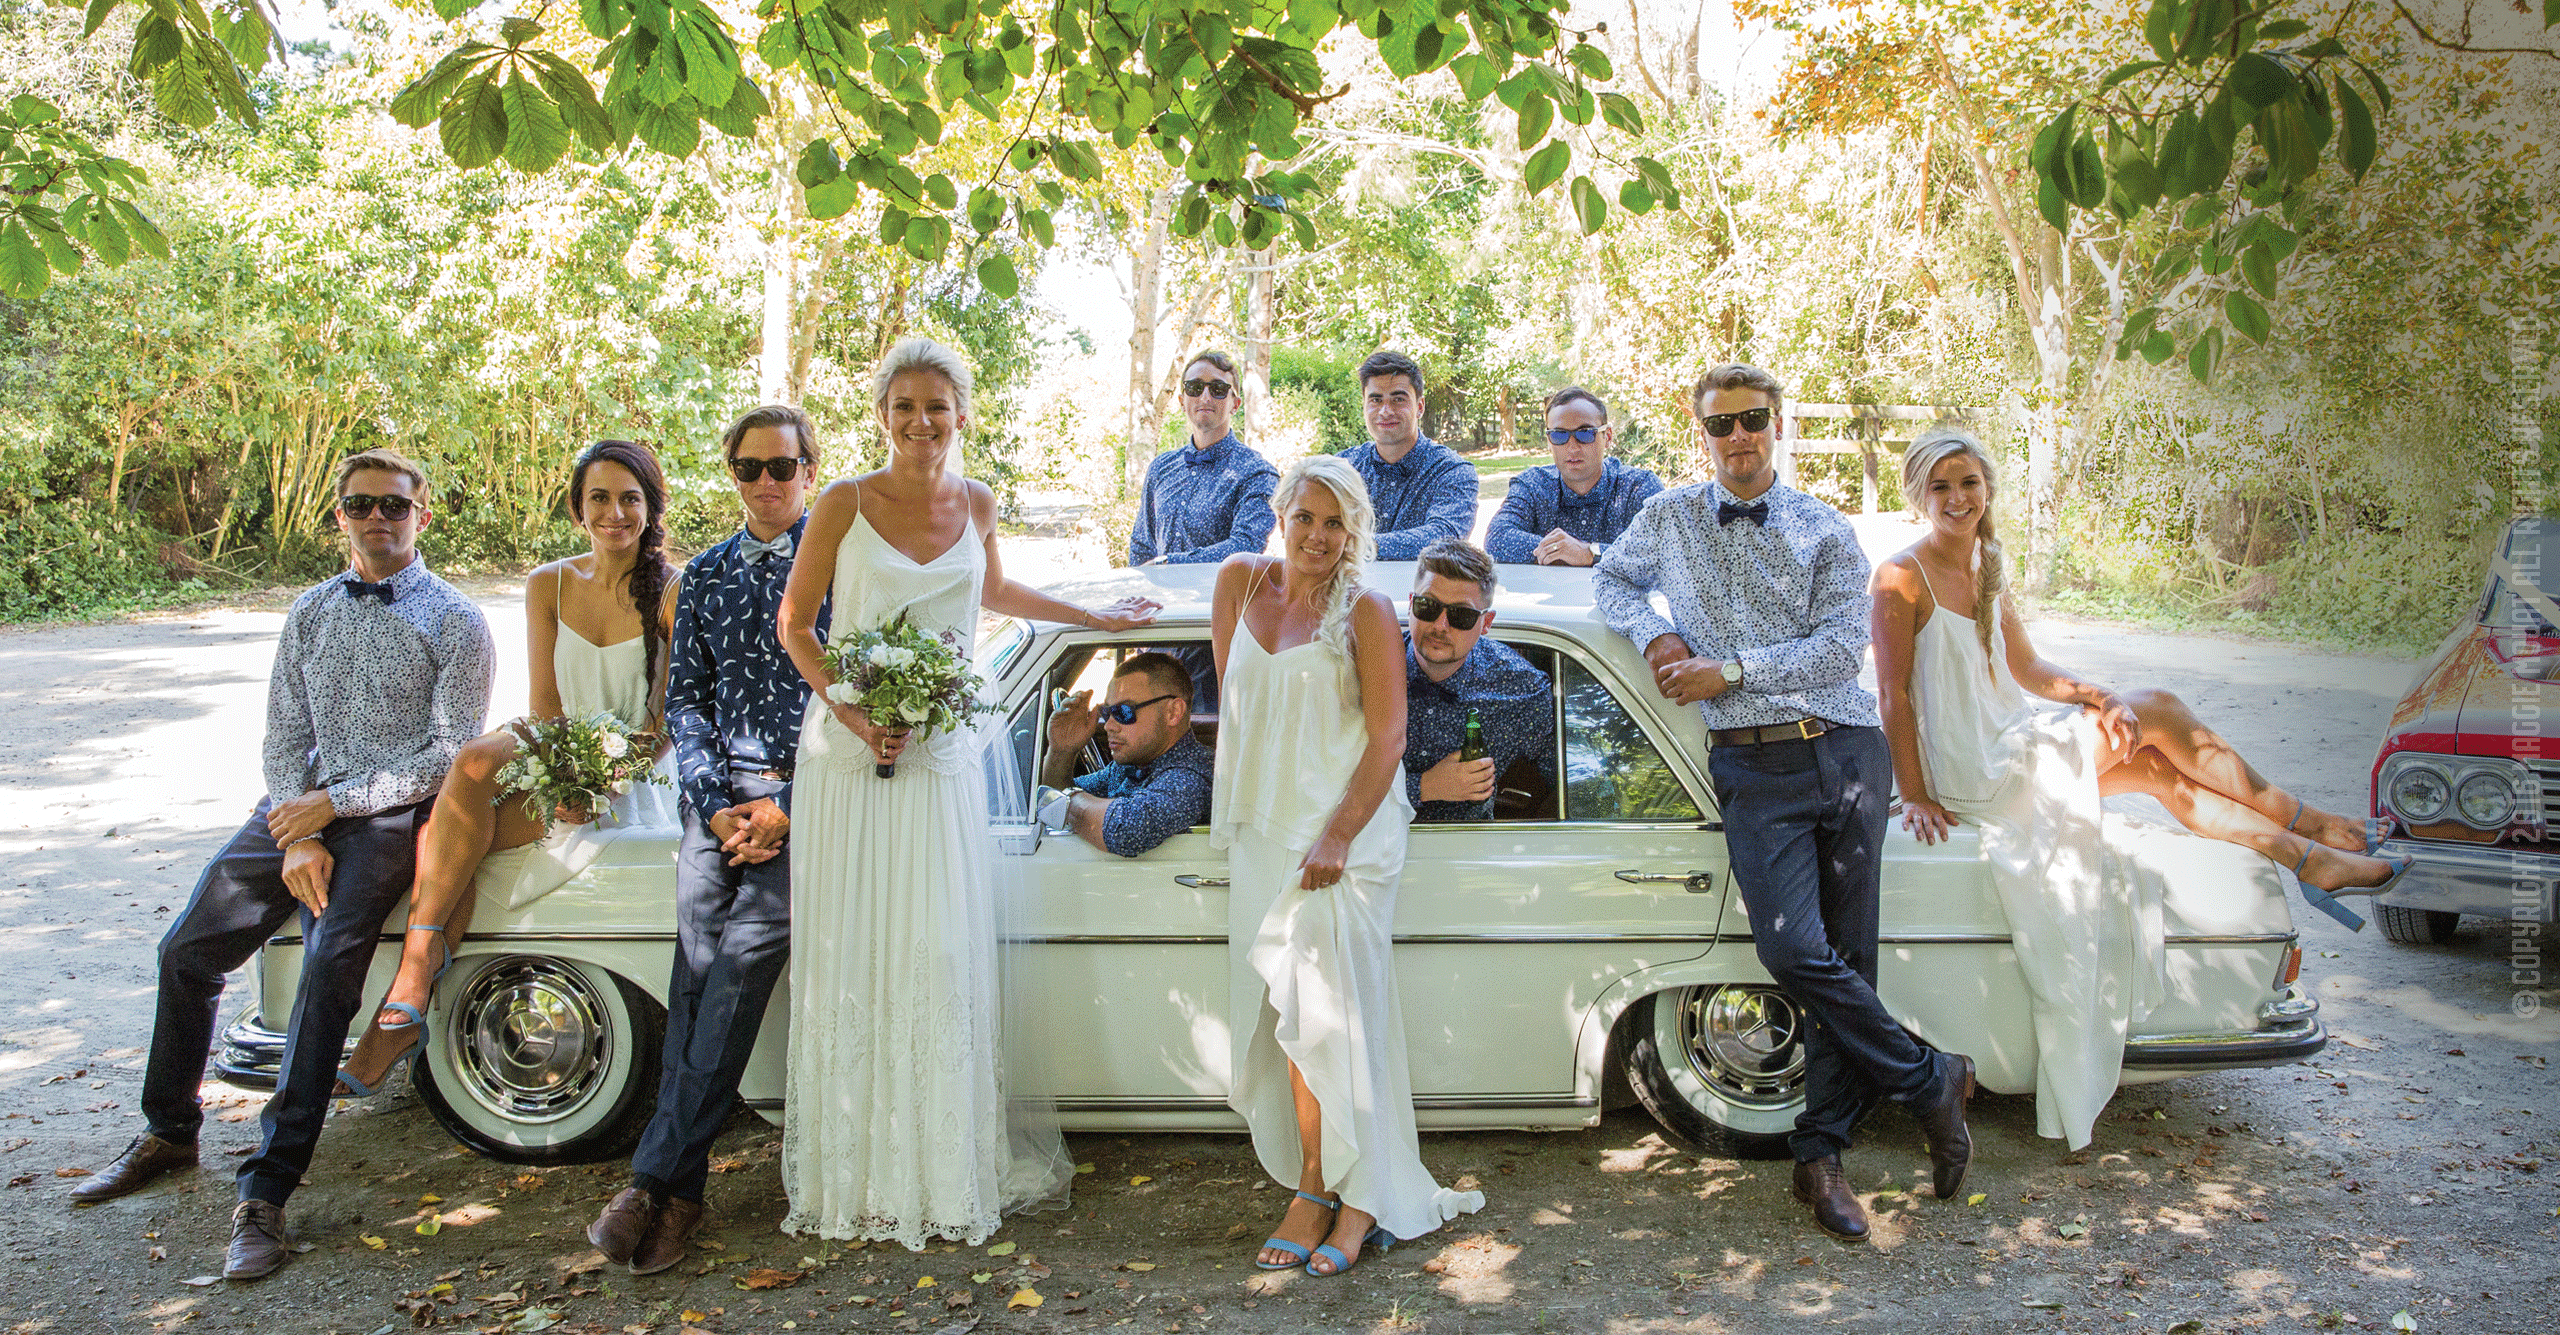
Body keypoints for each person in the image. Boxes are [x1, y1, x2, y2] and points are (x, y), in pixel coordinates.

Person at [1871, 426, 2412, 1147]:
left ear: (1987, 489)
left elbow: (2029, 670)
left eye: (1968, 482)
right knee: (2153, 706)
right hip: (1974, 768)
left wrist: (2097, 696)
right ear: (1918, 494)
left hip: (2013, 736)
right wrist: (1915, 793)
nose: (1957, 498)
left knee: (2156, 768)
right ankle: (2313, 826)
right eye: (1940, 486)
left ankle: (2306, 855)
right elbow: (1893, 696)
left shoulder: (1987, 559)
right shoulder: (1899, 576)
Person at [72, 449, 494, 1284]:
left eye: (394, 506)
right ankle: (168, 1128)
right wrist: (297, 829)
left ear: (423, 516)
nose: (378, 518)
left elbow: (451, 755)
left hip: (386, 817)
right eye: (361, 504)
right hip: (296, 813)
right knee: (185, 952)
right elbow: (280, 732)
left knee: (327, 971)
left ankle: (266, 1191)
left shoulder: (457, 619)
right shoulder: (307, 612)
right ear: (338, 515)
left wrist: (334, 809)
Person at [775, 336, 1159, 1248]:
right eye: (903, 407)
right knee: (857, 948)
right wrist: (859, 713)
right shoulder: (841, 502)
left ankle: (940, 1165)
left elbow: (999, 590)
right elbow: (798, 626)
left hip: (941, 758)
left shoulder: (978, 501)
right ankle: (858, 1170)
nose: (920, 423)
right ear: (881, 415)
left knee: (938, 953)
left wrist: (1096, 615)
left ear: (961, 415)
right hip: (850, 757)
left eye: (936, 407)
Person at [1593, 363, 1973, 1247]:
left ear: (1776, 424)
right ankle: (1930, 1078)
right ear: (1703, 435)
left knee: (1850, 956)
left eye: (1753, 419)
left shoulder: (1823, 526)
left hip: (1842, 751)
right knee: (1791, 949)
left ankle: (1821, 1155)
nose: (1738, 437)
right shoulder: (1671, 517)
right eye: (1721, 424)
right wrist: (1659, 630)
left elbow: (1843, 649)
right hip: (1751, 768)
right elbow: (1612, 580)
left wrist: (1729, 669)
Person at [334, 439, 682, 1096]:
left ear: (650, 507)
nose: (615, 513)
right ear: (578, 509)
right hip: (558, 757)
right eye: (599, 498)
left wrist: (597, 783)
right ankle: (414, 977)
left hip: (627, 780)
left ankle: (405, 995)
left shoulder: (672, 590)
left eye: (629, 498)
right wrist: (563, 777)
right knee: (471, 768)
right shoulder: (547, 582)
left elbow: (660, 730)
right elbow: (547, 709)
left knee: (452, 836)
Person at [1211, 455, 1484, 1278]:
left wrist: (1334, 836)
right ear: (1281, 512)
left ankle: (1356, 1199)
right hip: (1266, 830)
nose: (1320, 537)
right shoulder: (1236, 583)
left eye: (1338, 523)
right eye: (1307, 517)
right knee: (1292, 1027)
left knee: (1341, 1019)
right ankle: (1316, 1183)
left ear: (1356, 531)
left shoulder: (1364, 610)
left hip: (1348, 835)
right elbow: (1237, 707)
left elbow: (1389, 738)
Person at [586, 406, 825, 1277]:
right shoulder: (708, 575)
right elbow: (683, 701)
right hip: (714, 810)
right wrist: (716, 806)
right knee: (690, 985)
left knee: (734, 978)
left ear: (809, 467)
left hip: (808, 811)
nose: (766, 482)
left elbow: (859, 699)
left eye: (782, 466)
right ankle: (678, 1195)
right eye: (748, 468)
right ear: (731, 474)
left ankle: (651, 1181)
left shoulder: (838, 565)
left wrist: (787, 806)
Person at [1401, 539, 1553, 822]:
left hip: (1470, 855)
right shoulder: (1364, 668)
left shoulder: (1522, 690)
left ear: (1486, 623)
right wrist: (1424, 787)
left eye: (1461, 615)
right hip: (1364, 848)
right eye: (1427, 606)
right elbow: (1322, 783)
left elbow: (1571, 787)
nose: (1440, 626)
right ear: (1410, 604)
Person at [1038, 651, 1214, 857]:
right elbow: (1055, 794)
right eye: (1107, 712)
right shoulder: (1132, 763)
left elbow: (1122, 830)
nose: (1109, 725)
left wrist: (1065, 801)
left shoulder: (1192, 776)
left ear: (1173, 712)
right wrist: (1061, 751)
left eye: (1124, 712)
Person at [1129, 350, 1280, 566]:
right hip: (1157, 598)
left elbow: (1245, 548)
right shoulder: (1161, 467)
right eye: (1195, 388)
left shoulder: (1256, 473)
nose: (1205, 397)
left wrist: (1168, 564)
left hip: (1221, 599)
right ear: (1182, 401)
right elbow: (1142, 545)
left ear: (1235, 404)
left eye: (1218, 389)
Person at [1484, 387, 1664, 566]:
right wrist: (1560, 550)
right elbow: (1497, 538)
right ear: (1549, 441)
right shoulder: (1532, 485)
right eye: (1559, 435)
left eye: (1585, 434)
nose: (1572, 447)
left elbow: (1663, 549)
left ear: (1607, 436)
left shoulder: (1638, 487)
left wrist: (1591, 553)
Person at [1338, 351, 1479, 560]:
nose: (1385, 411)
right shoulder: (1342, 468)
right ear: (1364, 406)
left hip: (1419, 591)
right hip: (1347, 591)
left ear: (1419, 407)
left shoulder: (1452, 471)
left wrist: (1356, 545)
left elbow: (1444, 538)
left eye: (1398, 399)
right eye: (1376, 400)